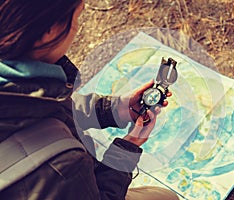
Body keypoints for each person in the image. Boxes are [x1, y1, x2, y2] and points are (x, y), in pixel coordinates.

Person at [0, 0, 179, 199]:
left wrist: (112, 109)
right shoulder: (63, 167)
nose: (77, 27)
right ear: (48, 31)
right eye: (76, 17)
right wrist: (128, 146)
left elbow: (37, 107)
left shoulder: (14, 84)